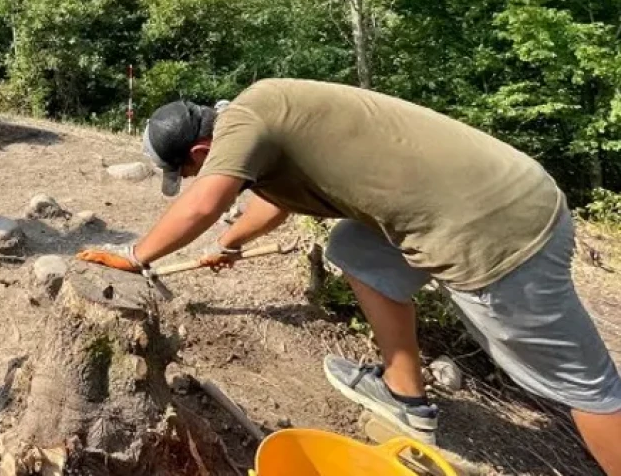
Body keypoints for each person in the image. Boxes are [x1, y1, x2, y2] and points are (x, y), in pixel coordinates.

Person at [78, 79, 621, 474]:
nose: (196, 176)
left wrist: (136, 255)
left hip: (495, 229)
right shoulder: (264, 108)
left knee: (587, 386)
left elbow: (204, 203)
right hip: (499, 195)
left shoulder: (246, 126)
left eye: (190, 170)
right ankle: (405, 398)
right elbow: (272, 204)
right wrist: (229, 243)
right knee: (357, 248)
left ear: (201, 150)